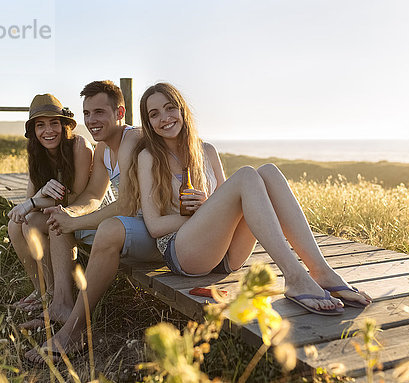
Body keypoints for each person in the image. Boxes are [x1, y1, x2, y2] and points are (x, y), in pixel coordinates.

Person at [129, 83, 372, 316]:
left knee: (268, 172)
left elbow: (227, 207)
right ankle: (296, 278)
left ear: (182, 110)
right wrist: (199, 215)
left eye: (170, 107)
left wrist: (207, 207)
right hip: (185, 254)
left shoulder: (207, 151)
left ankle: (321, 271)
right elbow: (154, 226)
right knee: (246, 175)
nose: (164, 117)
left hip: (227, 256)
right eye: (154, 114)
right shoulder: (149, 157)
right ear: (149, 123)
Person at [24, 81, 161, 364]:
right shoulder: (102, 150)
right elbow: (92, 196)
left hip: (155, 230)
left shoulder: (132, 140)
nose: (91, 120)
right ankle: (61, 304)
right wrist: (70, 214)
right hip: (127, 225)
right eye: (87, 113)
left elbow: (126, 204)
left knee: (85, 224)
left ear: (120, 112)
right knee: (59, 218)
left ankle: (74, 331)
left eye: (99, 112)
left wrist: (75, 222)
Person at [8, 94, 93, 322]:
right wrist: (38, 194)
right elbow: (30, 201)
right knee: (17, 224)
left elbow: (74, 198)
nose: (48, 130)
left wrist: (33, 202)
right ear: (33, 131)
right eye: (40, 125)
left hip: (88, 213)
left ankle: (58, 298)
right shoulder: (38, 154)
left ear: (64, 125)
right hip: (60, 211)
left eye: (54, 123)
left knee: (36, 220)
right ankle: (43, 292)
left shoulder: (79, 146)